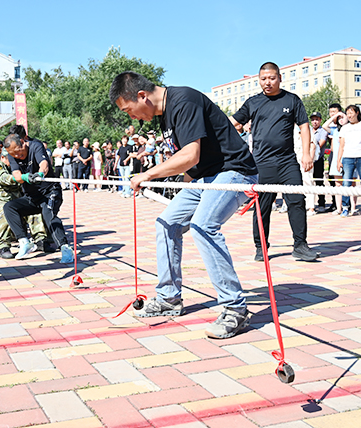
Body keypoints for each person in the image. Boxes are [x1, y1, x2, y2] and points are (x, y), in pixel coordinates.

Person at [111, 71, 258, 339]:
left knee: (203, 226)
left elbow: (190, 155)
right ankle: (169, 298)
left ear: (142, 96)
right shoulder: (164, 115)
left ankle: (235, 308)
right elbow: (190, 162)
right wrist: (185, 191)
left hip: (235, 172)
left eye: (128, 110)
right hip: (204, 178)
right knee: (166, 223)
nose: (131, 118)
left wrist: (147, 174)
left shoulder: (184, 101)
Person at [230, 62, 317, 262]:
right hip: (261, 163)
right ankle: (261, 247)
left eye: (271, 78)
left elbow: (304, 126)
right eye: (263, 79)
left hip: (287, 162)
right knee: (262, 207)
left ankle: (300, 245)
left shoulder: (292, 100)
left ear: (279, 78)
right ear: (259, 80)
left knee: (296, 202)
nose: (267, 82)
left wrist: (306, 154)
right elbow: (232, 123)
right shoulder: (253, 102)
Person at [3, 132, 73, 262]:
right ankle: (25, 242)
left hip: (50, 192)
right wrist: (25, 177)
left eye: (18, 152)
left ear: (22, 143)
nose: (17, 156)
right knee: (9, 207)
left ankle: (65, 248)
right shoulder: (12, 155)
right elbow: (16, 174)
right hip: (32, 197)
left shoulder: (36, 146)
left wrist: (40, 174)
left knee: (48, 214)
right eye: (13, 154)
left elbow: (44, 164)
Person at [337, 105, 361, 218]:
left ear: (357, 113)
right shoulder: (344, 128)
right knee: (346, 183)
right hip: (348, 157)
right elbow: (341, 146)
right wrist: (339, 160)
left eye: (351, 112)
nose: (349, 115)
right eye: (347, 113)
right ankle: (345, 208)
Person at [321, 104, 346, 213]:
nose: (332, 114)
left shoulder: (346, 128)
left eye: (334, 112)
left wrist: (342, 116)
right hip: (335, 157)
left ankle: (348, 206)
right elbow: (324, 126)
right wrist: (334, 117)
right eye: (330, 112)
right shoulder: (334, 129)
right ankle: (338, 206)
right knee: (336, 183)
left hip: (347, 157)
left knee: (348, 183)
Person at [309, 112, 327, 211]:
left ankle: (321, 203)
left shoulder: (323, 131)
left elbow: (319, 144)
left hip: (318, 160)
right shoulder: (308, 130)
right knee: (308, 181)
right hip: (308, 159)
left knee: (319, 181)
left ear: (320, 120)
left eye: (317, 119)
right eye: (313, 120)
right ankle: (309, 203)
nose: (314, 122)